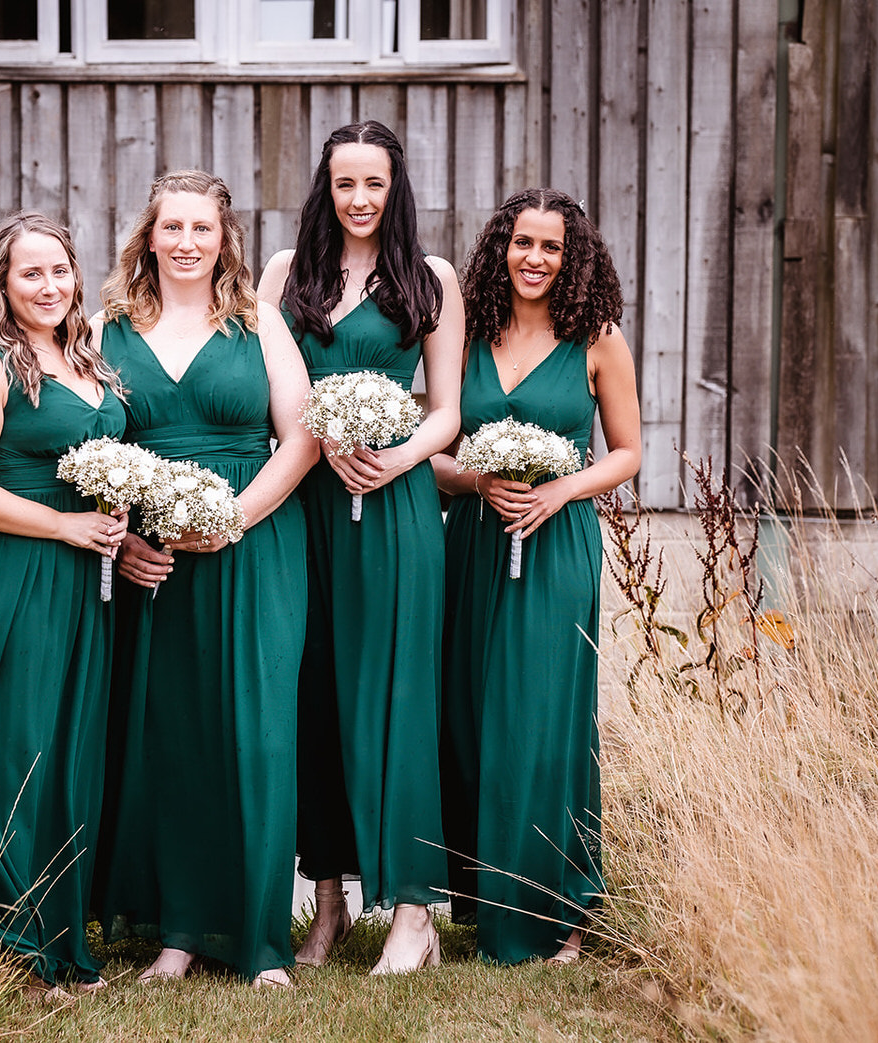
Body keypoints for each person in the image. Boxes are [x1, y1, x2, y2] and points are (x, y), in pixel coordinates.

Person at [93, 170, 319, 988]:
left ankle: (263, 942)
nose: (187, 242)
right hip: (156, 558)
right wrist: (122, 546)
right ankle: (180, 933)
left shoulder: (257, 320)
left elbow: (302, 438)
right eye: (171, 227)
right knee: (175, 737)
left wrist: (235, 520)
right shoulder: (105, 326)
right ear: (147, 236)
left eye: (203, 228)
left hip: (253, 545)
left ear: (225, 239)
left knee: (257, 733)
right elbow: (81, 452)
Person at [257, 120, 463, 974]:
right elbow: (269, 384)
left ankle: (416, 913)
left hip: (398, 506)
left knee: (398, 697)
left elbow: (446, 407)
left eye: (373, 183)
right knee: (315, 696)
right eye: (345, 183)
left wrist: (394, 460)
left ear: (395, 187)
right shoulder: (283, 275)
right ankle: (330, 903)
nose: (360, 199)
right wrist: (314, 438)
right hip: (305, 504)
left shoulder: (431, 279)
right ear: (326, 189)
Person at [0, 211, 129, 995]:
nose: (49, 286)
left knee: (67, 753)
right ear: (3, 284)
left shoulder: (87, 359)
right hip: (14, 573)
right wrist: (64, 525)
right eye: (30, 273)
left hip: (84, 583)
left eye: (60, 271)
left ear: (78, 276)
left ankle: (63, 940)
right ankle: (11, 944)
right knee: (10, 750)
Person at [432, 188, 640, 965]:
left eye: (551, 246)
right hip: (474, 543)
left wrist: (561, 488)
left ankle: (564, 910)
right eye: (523, 242)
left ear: (572, 256)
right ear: (501, 247)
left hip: (556, 547)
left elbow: (626, 451)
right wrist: (477, 482)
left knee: (544, 720)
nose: (535, 258)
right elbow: (438, 453)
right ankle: (483, 900)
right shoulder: (467, 336)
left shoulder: (597, 340)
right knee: (470, 714)